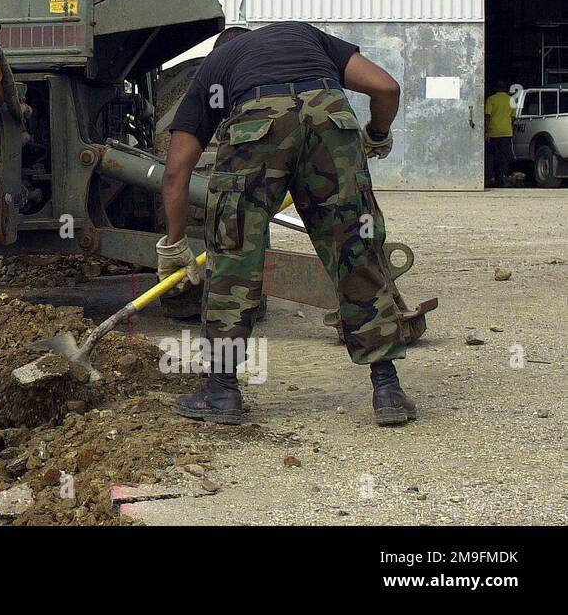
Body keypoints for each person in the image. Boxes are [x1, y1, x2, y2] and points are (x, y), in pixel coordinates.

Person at [157, 22, 417, 427]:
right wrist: (377, 134)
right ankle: (388, 389)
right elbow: (386, 89)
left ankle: (222, 391)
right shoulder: (305, 35)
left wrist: (173, 244)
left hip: (256, 125)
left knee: (235, 256)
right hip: (331, 121)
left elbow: (176, 171)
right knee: (355, 250)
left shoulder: (216, 65)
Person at [484, 81, 515, 187]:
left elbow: (487, 116)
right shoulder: (511, 99)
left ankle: (491, 177)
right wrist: (511, 127)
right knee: (504, 156)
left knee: (491, 156)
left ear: (495, 89)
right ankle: (503, 177)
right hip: (507, 132)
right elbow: (513, 117)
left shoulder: (491, 99)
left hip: (493, 132)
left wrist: (486, 131)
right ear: (505, 89)